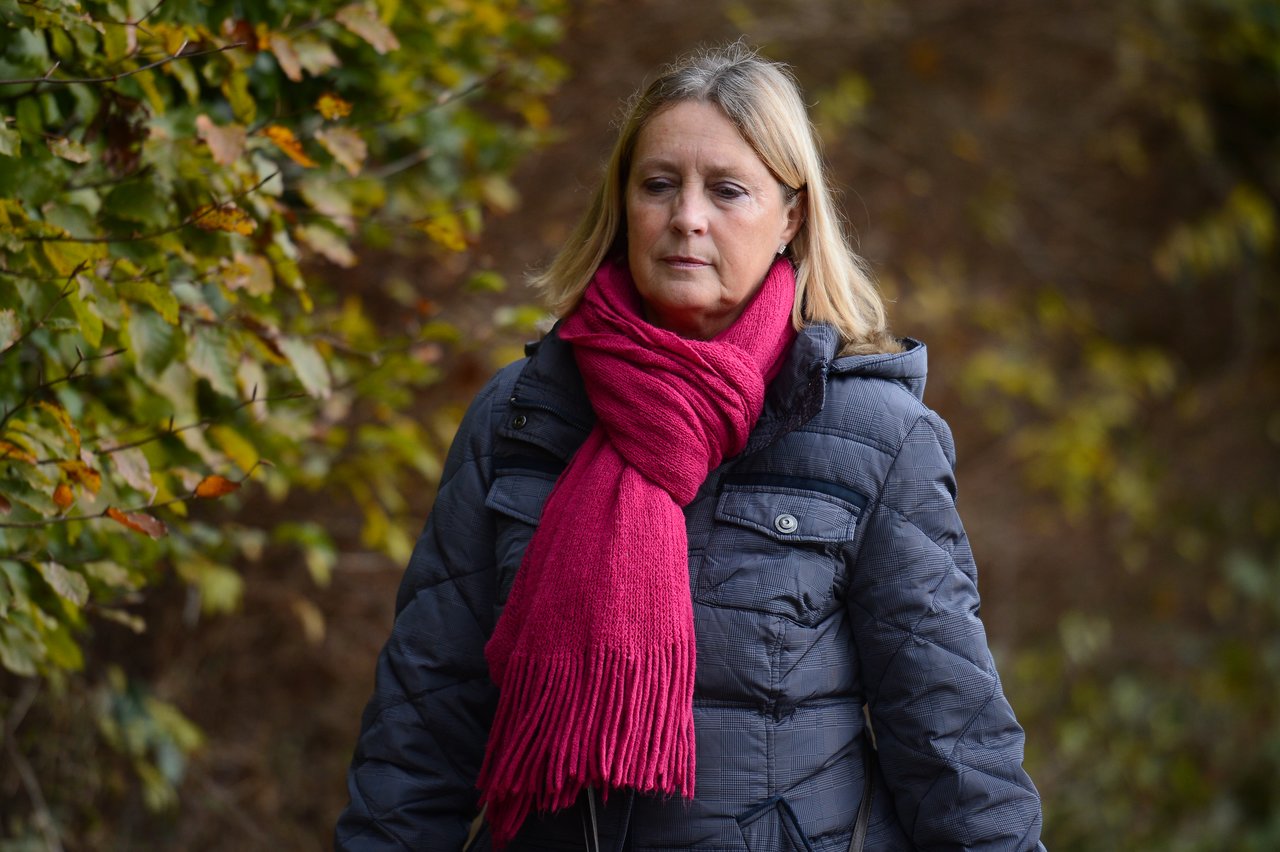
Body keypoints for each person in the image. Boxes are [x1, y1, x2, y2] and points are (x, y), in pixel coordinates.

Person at [336, 43, 1046, 851]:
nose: (687, 218)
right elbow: (423, 721)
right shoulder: (521, 419)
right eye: (659, 185)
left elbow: (952, 746)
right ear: (624, 204)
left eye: (728, 190)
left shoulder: (876, 440)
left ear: (792, 217)